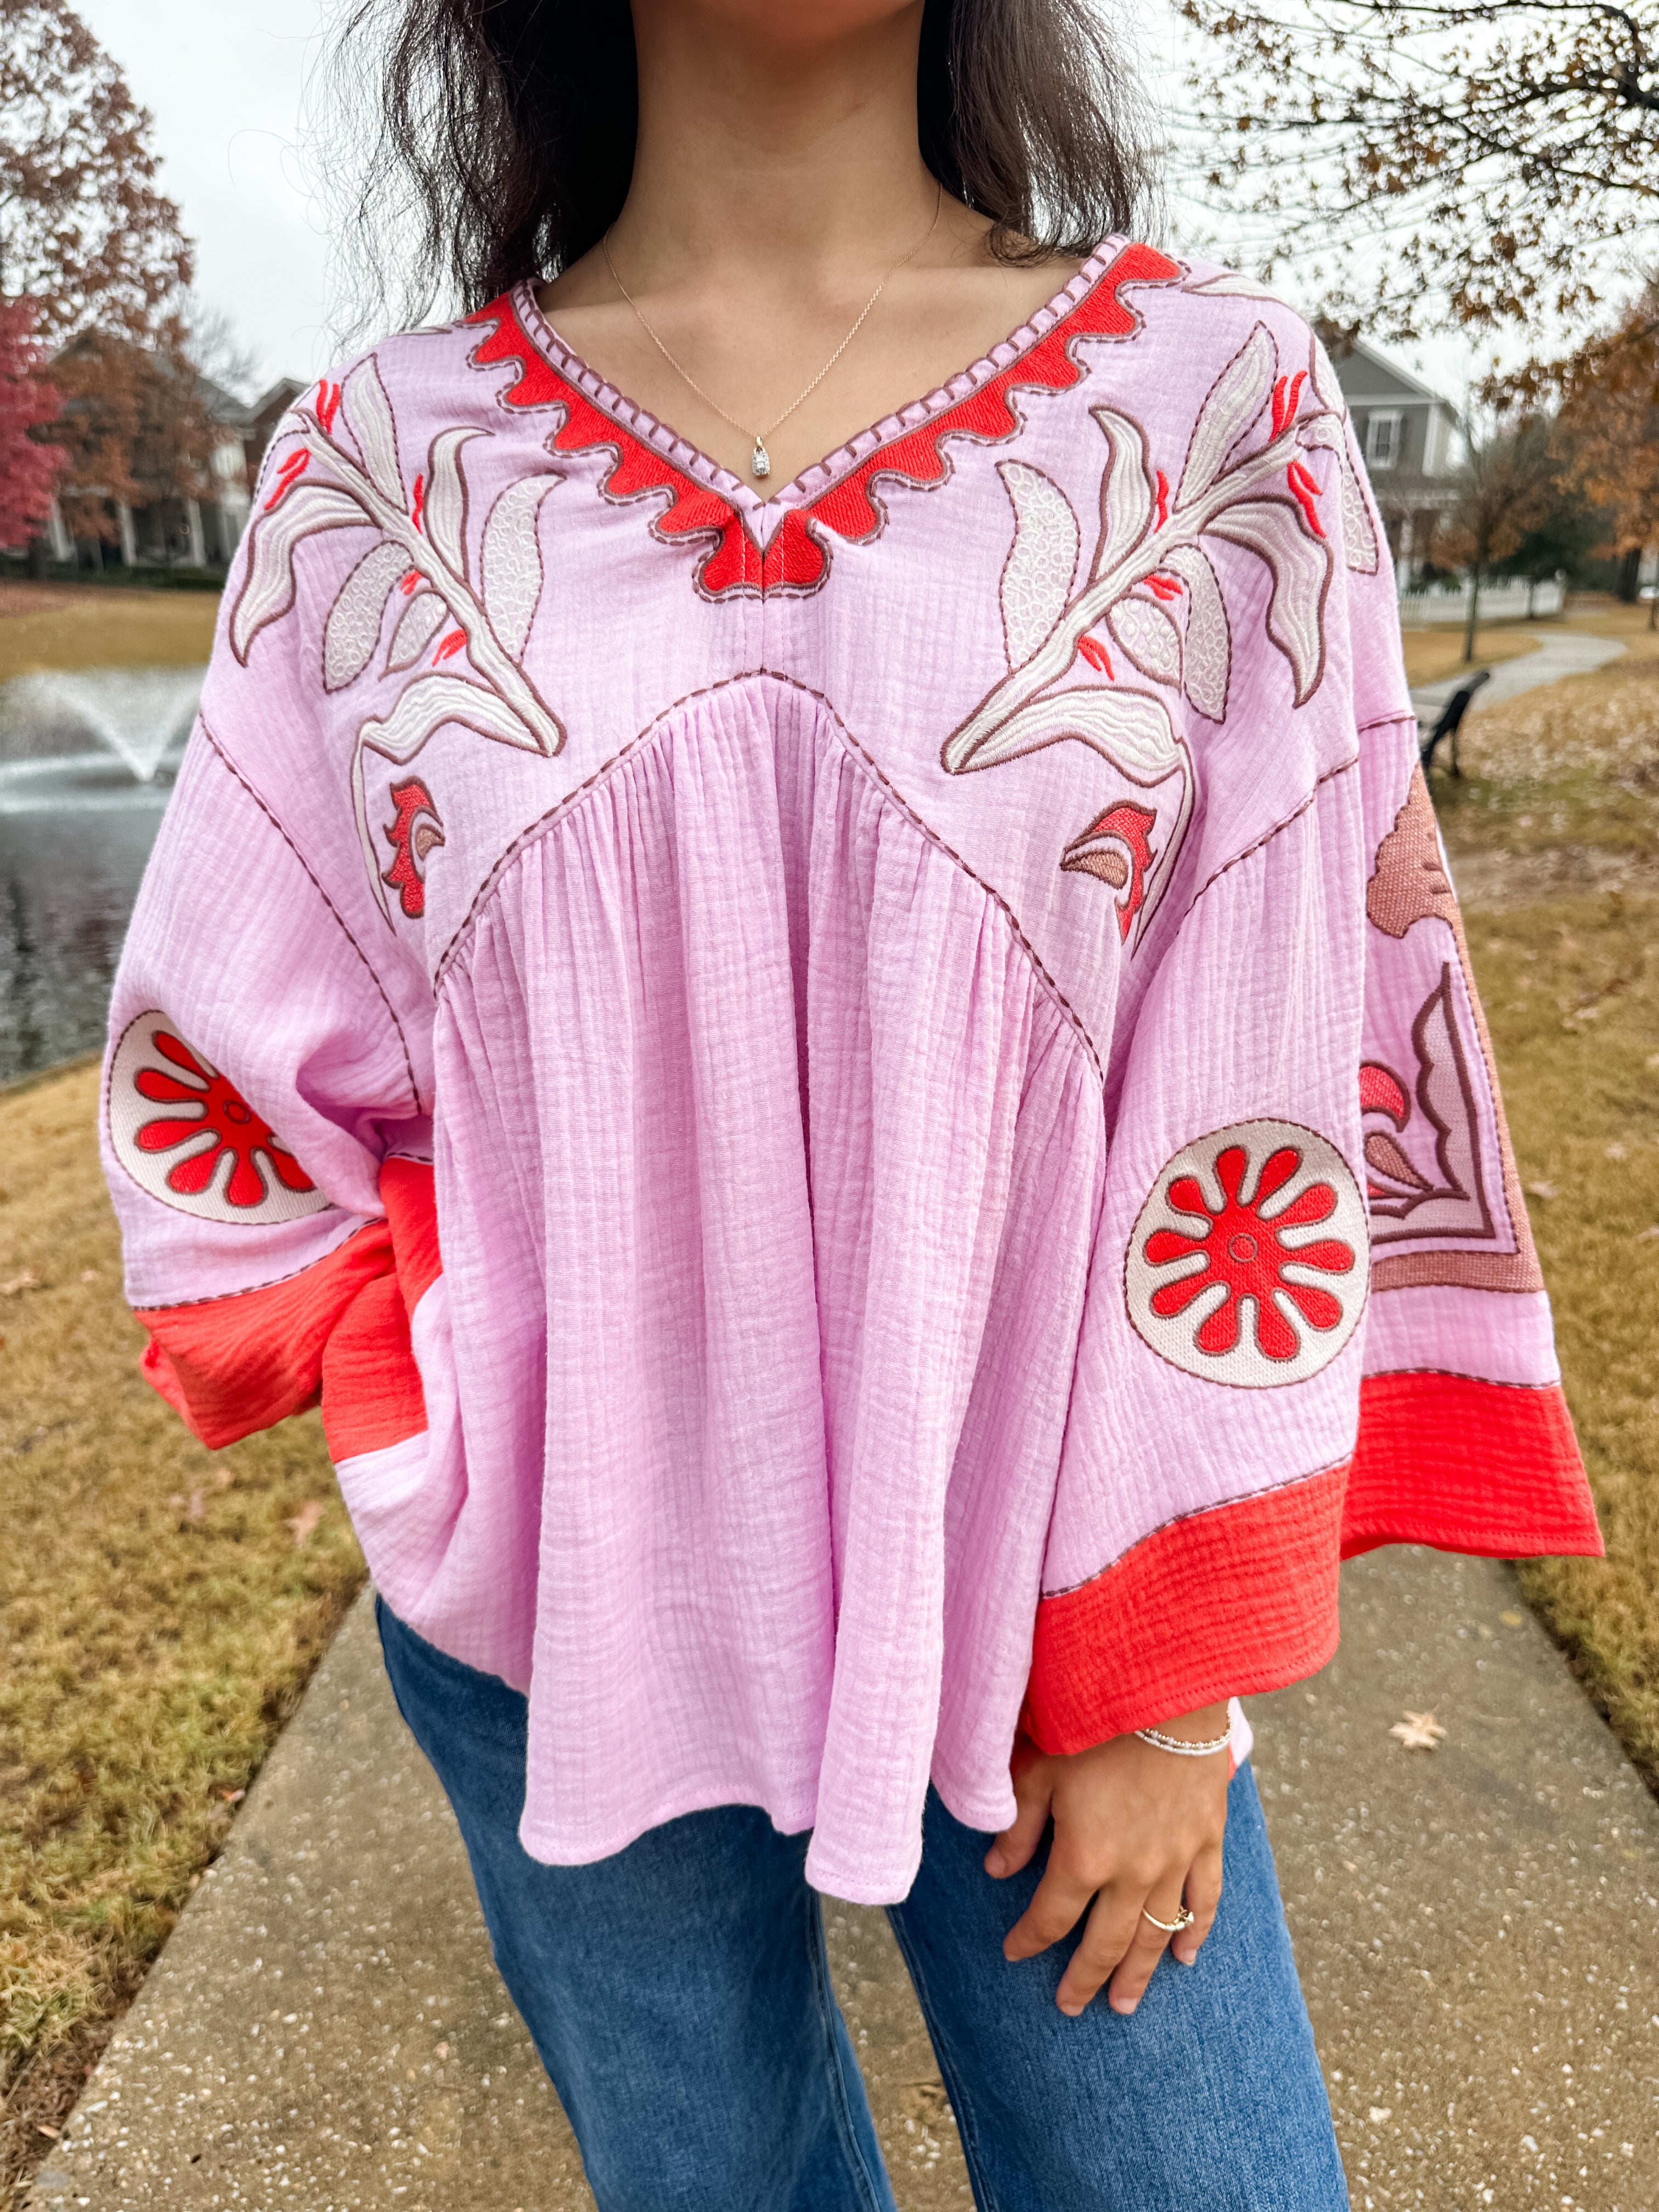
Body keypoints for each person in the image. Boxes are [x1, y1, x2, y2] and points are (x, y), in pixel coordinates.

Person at [99, 2, 1601, 2204]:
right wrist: (402, 1377)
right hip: (557, 1577)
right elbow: (230, 1019)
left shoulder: (1213, 410)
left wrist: (1169, 1664)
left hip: (1044, 1586)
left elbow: (1287, 1022)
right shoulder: (374, 463)